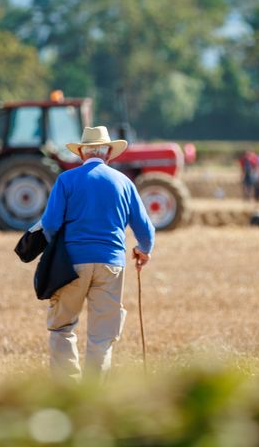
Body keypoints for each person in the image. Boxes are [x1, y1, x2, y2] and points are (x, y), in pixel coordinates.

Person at [39, 126, 155, 381]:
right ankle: (95, 391)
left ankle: (67, 388)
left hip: (71, 264)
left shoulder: (66, 180)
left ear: (81, 153)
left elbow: (49, 225)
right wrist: (143, 251)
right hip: (111, 264)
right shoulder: (124, 183)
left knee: (62, 327)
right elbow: (145, 229)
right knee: (102, 336)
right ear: (108, 155)